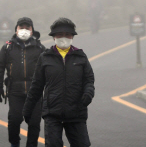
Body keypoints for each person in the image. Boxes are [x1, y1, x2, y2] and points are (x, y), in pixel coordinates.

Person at [23, 17, 94, 147]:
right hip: (52, 113)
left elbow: (89, 80)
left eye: (67, 34)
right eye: (60, 34)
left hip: (76, 112)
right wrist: (28, 109)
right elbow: (37, 86)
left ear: (72, 36)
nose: (63, 37)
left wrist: (88, 93)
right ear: (54, 37)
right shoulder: (45, 58)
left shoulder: (80, 56)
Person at [0, 17, 45, 147]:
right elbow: (0, 67)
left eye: (27, 28)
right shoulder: (7, 47)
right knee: (14, 120)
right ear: (16, 30)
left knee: (34, 123)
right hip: (15, 91)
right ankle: (14, 143)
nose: (24, 30)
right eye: (21, 28)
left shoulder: (40, 48)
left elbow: (47, 69)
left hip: (35, 93)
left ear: (32, 31)